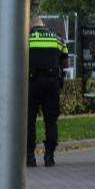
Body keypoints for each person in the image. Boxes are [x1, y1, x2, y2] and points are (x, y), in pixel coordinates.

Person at [27, 15, 69, 167]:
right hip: (52, 83)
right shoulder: (57, 39)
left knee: (29, 120)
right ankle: (49, 155)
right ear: (43, 24)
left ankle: (30, 156)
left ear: (30, 26)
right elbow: (65, 59)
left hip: (31, 83)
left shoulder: (26, 39)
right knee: (51, 120)